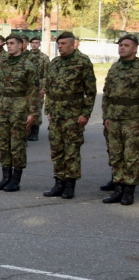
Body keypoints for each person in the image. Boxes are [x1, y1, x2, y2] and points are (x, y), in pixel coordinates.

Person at [40, 32, 96, 199]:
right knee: (57, 150)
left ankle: (70, 185)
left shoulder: (82, 62)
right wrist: (48, 111)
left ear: (73, 45)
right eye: (59, 43)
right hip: (56, 114)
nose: (60, 46)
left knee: (71, 150)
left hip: (73, 114)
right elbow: (48, 90)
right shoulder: (54, 62)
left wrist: (85, 114)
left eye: (64, 43)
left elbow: (91, 92)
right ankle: (59, 183)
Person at [0, 34, 39, 191]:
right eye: (7, 44)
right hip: (4, 106)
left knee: (17, 145)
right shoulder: (3, 62)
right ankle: (5, 178)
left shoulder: (28, 65)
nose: (8, 46)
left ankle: (15, 180)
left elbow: (33, 91)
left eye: (11, 43)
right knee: (3, 144)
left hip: (20, 108)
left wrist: (33, 113)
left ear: (20, 46)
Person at [100, 33, 139, 205]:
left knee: (131, 156)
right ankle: (118, 188)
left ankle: (129, 190)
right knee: (116, 155)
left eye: (126, 45)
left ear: (135, 49)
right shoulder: (115, 68)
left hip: (133, 119)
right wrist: (106, 116)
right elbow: (107, 94)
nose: (122, 47)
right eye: (120, 45)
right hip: (114, 118)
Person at [28, 35, 51, 141]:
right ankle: (27, 130)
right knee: (27, 109)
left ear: (39, 44)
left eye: (36, 42)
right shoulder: (26, 56)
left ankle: (35, 131)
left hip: (39, 86)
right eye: (32, 43)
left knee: (36, 109)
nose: (34, 44)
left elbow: (47, 75)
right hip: (28, 87)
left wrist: (43, 89)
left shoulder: (44, 58)